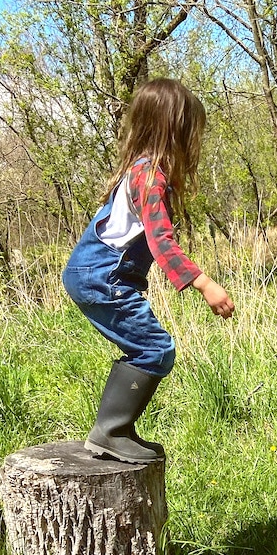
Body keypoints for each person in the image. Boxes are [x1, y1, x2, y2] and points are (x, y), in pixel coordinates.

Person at [62, 78, 234, 464]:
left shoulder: (141, 172)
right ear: (174, 129)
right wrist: (204, 283)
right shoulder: (149, 177)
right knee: (155, 349)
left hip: (96, 273)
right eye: (192, 131)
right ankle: (110, 431)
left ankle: (117, 429)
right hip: (102, 276)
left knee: (146, 349)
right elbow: (162, 243)